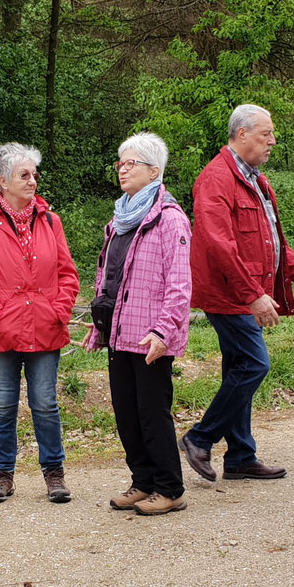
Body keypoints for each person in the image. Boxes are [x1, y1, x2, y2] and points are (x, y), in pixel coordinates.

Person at [182, 104, 294, 484]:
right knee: (255, 364)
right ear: (241, 134)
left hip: (244, 292)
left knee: (238, 367)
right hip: (228, 294)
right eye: (267, 134)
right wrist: (253, 294)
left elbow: (272, 240)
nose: (273, 141)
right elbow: (218, 244)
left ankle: (241, 456)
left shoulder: (256, 180)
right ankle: (200, 437)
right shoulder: (216, 178)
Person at [0, 142, 80, 504]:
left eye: (34, 174)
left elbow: (68, 274)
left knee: (44, 403)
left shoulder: (51, 221)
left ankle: (54, 474)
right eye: (24, 175)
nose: (33, 180)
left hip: (45, 327)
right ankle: (3, 476)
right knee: (4, 404)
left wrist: (58, 310)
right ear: (2, 181)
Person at [84, 133, 192, 516]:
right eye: (120, 163)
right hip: (118, 332)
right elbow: (107, 277)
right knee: (126, 413)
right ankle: (142, 481)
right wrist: (98, 325)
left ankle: (170, 488)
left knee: (151, 413)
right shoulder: (119, 220)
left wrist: (163, 331)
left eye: (131, 163)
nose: (122, 169)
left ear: (154, 171)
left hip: (151, 338)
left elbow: (180, 285)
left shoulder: (169, 219)